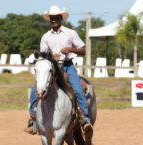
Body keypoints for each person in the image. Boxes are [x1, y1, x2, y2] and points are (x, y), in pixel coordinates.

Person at [25, 5, 93, 134]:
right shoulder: (45, 37)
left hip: (67, 66)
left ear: (61, 18)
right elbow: (42, 56)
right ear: (49, 19)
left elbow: (83, 50)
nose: (54, 20)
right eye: (52, 18)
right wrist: (50, 57)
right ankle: (33, 117)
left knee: (77, 89)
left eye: (56, 17)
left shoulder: (71, 33)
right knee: (37, 88)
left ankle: (85, 120)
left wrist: (71, 49)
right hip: (52, 67)